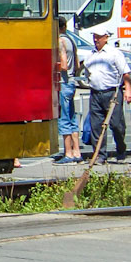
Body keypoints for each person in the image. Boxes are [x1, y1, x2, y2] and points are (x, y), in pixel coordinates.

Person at [84, 29, 131, 163]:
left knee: (116, 124)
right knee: (96, 126)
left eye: (98, 37)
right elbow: (87, 73)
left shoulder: (114, 54)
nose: (96, 40)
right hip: (95, 93)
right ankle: (100, 155)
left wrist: (128, 90)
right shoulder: (90, 55)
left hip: (112, 92)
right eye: (94, 37)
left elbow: (125, 73)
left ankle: (121, 149)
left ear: (106, 37)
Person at [52, 17, 82, 164]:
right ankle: (77, 151)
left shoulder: (60, 41)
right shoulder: (72, 40)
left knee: (63, 118)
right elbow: (76, 65)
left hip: (63, 83)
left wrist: (52, 66)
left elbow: (63, 65)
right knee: (72, 117)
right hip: (71, 82)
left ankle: (68, 153)